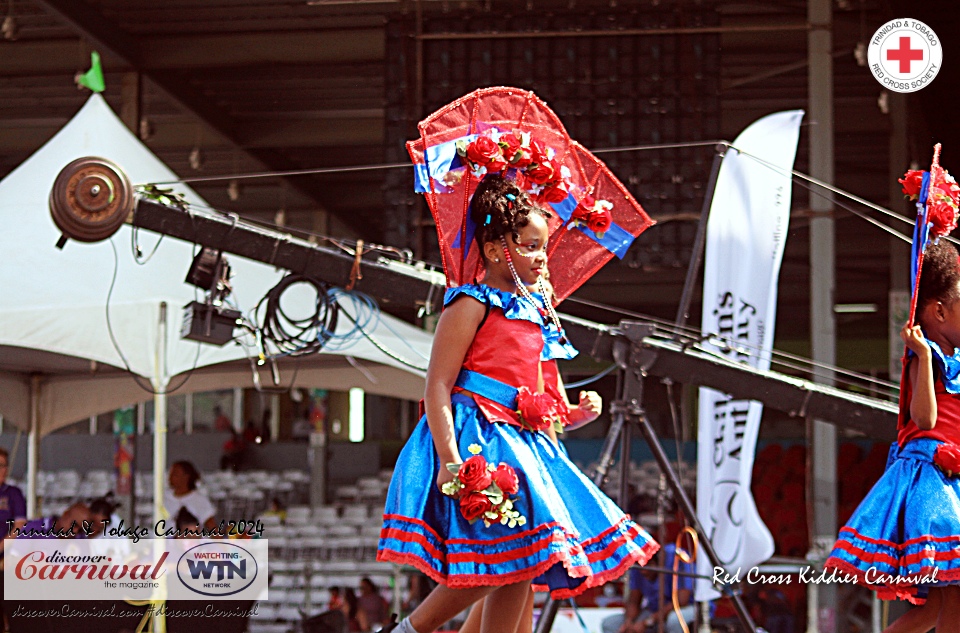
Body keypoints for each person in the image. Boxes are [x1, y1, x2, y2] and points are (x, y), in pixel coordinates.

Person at [377, 174, 658, 633]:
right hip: (478, 440)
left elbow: (547, 393)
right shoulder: (469, 304)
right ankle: (409, 629)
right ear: (492, 249)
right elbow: (436, 388)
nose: (541, 259)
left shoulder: (538, 311)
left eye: (543, 247)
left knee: (521, 562)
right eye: (529, 246)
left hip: (527, 443)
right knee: (512, 553)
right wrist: (452, 464)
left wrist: (575, 413)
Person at [824, 239, 960, 633]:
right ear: (938, 310)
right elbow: (925, 417)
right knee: (954, 595)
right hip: (934, 482)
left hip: (951, 481)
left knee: (935, 608)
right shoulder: (927, 356)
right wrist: (920, 353)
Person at [600, 542, 696, 633]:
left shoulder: (676, 557)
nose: (643, 572)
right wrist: (629, 622)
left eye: (649, 565)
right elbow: (634, 600)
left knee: (674, 620)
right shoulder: (638, 564)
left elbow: (682, 601)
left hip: (685, 609)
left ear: (658, 560)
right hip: (653, 612)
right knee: (610, 624)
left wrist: (648, 621)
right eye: (641, 567)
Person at [164, 460, 217, 531]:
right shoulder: (164, 497)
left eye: (175, 474)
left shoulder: (199, 500)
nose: (170, 477)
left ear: (186, 477)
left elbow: (211, 526)